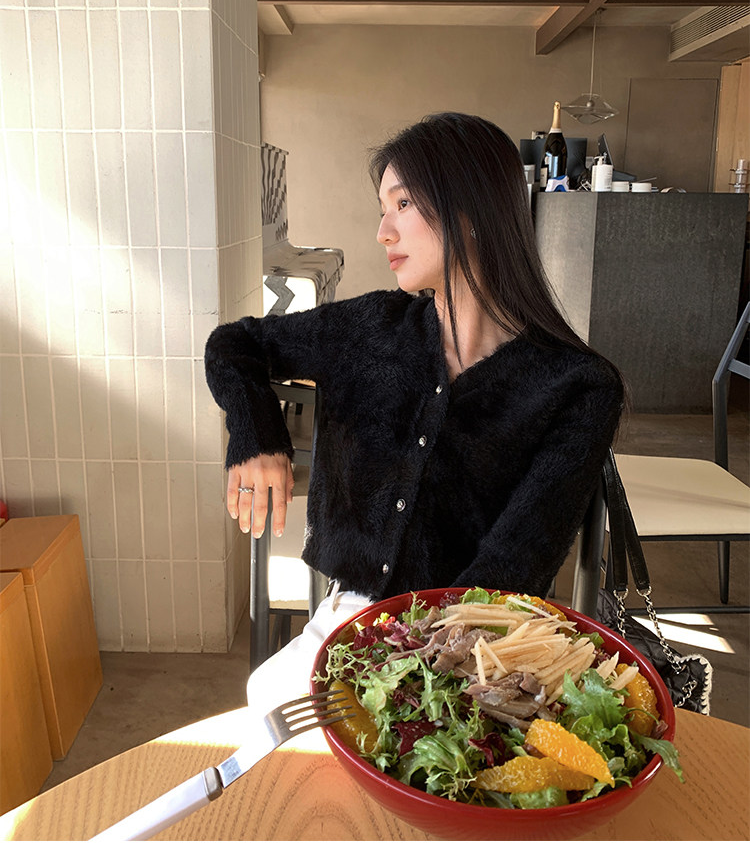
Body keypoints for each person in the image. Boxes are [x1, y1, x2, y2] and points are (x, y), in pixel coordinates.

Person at [204, 111, 624, 707]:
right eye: (384, 209)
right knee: (268, 704)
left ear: (469, 208)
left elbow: (513, 567)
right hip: (352, 628)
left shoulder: (577, 387)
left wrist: (424, 669)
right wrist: (257, 432)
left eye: (401, 204)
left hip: (484, 656)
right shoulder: (369, 328)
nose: (383, 232)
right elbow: (234, 344)